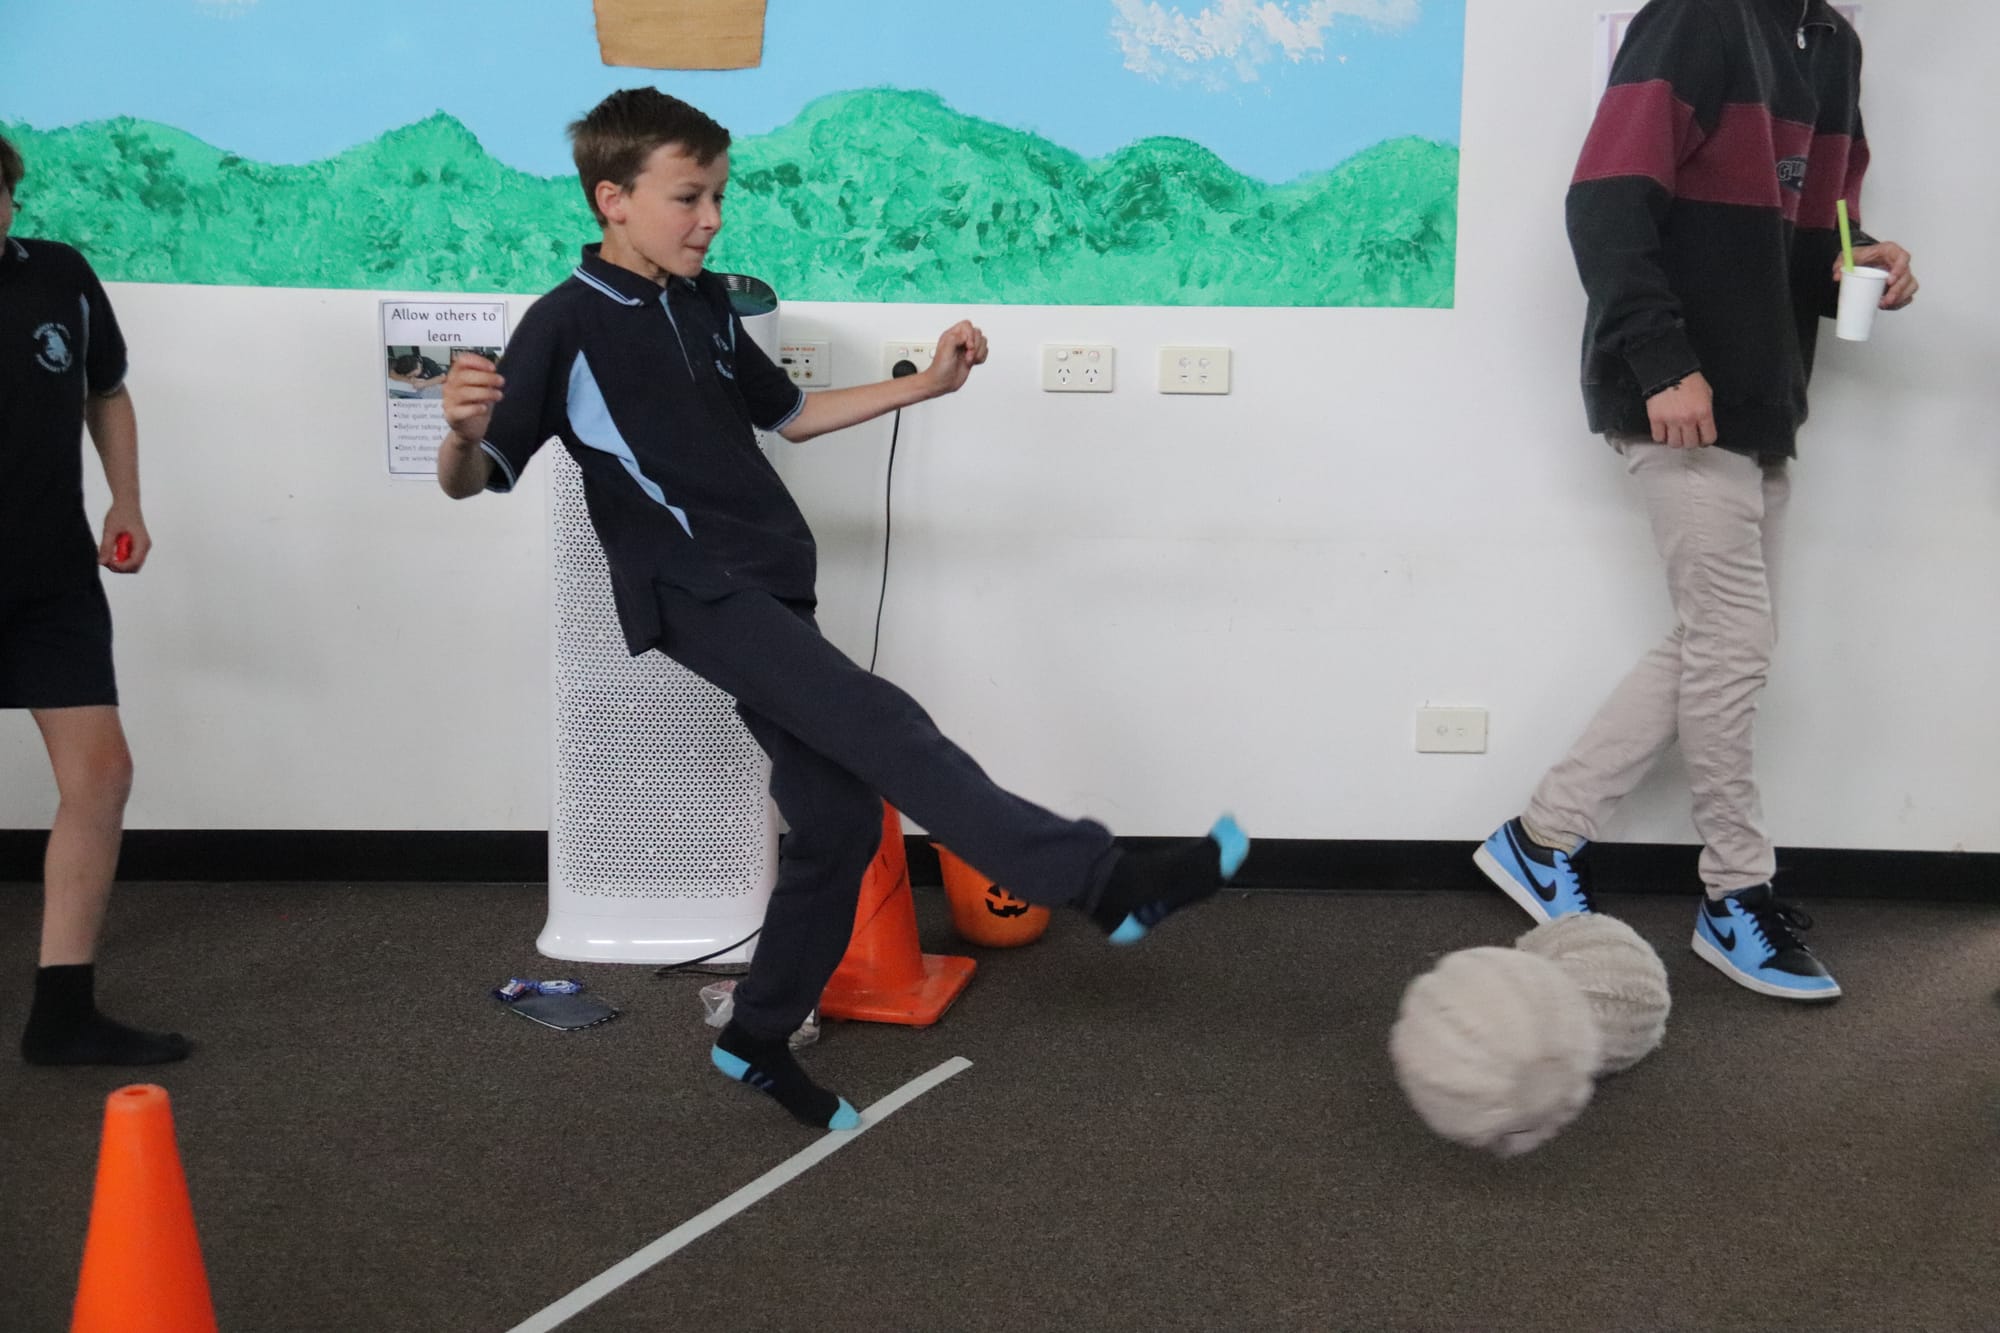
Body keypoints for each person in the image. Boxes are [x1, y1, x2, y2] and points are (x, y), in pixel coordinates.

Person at [438, 89, 1247, 1129]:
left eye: (718, 195)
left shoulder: (703, 302)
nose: (710, 218)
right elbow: (471, 478)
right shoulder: (564, 322)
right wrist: (461, 434)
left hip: (767, 581)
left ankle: (755, 1035)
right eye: (688, 197)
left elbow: (793, 416)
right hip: (692, 585)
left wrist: (928, 386)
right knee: (885, 723)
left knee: (836, 817)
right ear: (613, 198)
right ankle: (1104, 879)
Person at [1475, 0, 1917, 1002]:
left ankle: (1543, 835)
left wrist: (1860, 259)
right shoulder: (1696, 17)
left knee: (1723, 640)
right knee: (1732, 639)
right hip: (1678, 393)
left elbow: (1813, 238)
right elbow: (1603, 203)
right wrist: (1661, 360)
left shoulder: (1833, 46)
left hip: (1761, 391)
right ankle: (1733, 889)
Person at [1, 133, 188, 1064]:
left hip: (50, 578)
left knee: (101, 775)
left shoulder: (59, 275)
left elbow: (104, 390)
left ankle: (62, 1013)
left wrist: (126, 500)